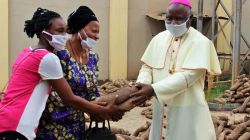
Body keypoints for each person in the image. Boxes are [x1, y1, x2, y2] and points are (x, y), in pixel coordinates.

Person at [0, 8, 124, 140]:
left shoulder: (28, 52)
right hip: (24, 127)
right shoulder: (50, 57)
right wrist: (103, 111)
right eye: (60, 31)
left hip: (12, 122)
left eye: (65, 30)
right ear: (44, 33)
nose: (64, 35)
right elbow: (68, 98)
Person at [130, 0, 221, 140]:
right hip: (161, 110)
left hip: (188, 112)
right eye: (169, 18)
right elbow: (147, 67)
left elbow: (188, 76)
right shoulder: (158, 39)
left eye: (178, 19)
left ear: (190, 19)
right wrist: (141, 83)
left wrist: (152, 89)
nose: (173, 23)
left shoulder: (201, 43)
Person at [36, 6, 105, 140]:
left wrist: (99, 106)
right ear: (80, 29)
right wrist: (96, 109)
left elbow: (93, 90)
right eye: (94, 31)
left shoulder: (93, 57)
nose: (97, 36)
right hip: (53, 125)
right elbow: (57, 96)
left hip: (78, 126)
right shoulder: (59, 55)